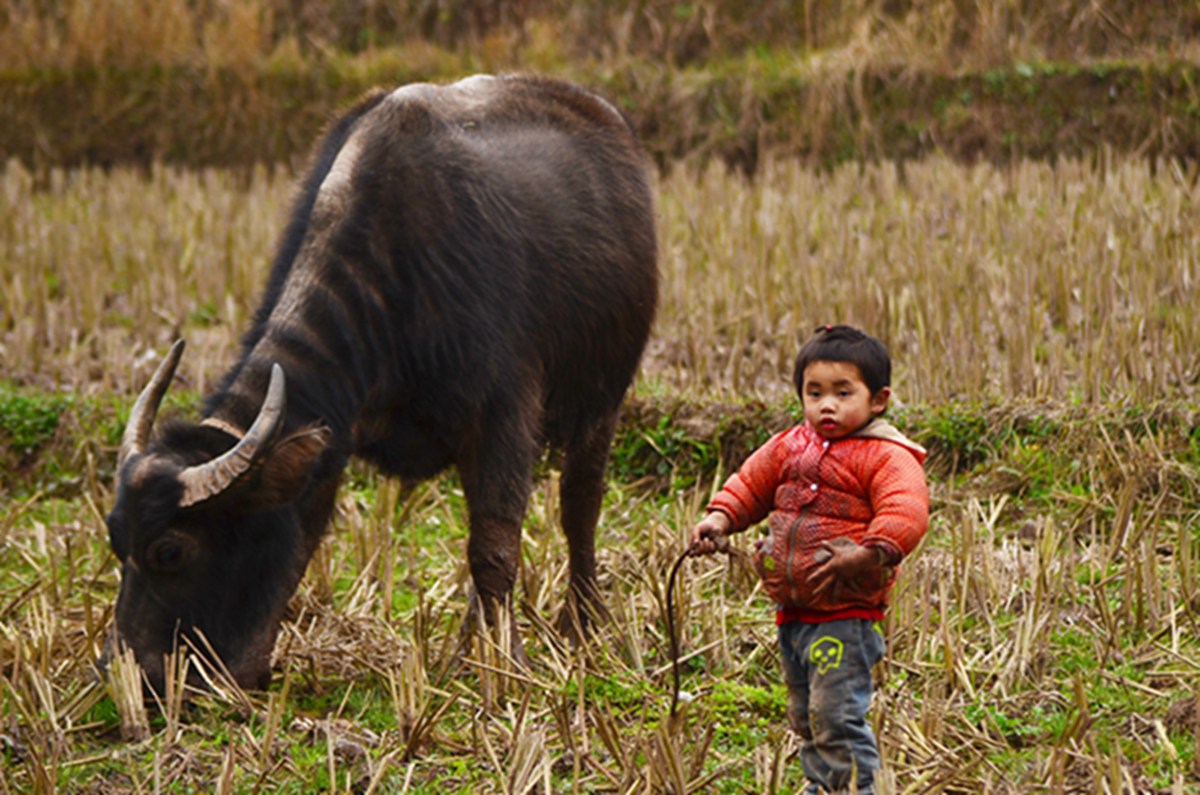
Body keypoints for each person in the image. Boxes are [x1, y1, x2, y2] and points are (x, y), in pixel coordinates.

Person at [690, 324, 929, 795]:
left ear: (877, 400)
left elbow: (906, 508)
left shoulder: (885, 455)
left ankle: (858, 789)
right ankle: (824, 785)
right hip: (794, 610)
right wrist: (719, 519)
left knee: (836, 713)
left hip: (846, 612)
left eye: (843, 392)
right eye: (814, 392)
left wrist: (866, 553)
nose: (826, 404)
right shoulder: (788, 446)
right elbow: (750, 486)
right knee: (806, 712)